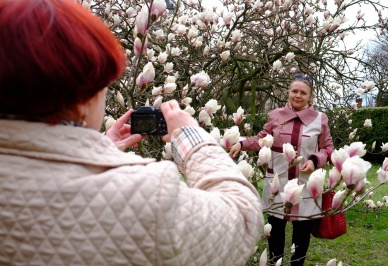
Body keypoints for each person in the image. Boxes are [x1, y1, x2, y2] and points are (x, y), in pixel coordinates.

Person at [0, 0, 264, 265]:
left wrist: (95, 152)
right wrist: (192, 138)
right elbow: (242, 219)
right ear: (83, 101)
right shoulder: (146, 194)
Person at [229, 74, 334, 265]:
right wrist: (242, 144)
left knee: (301, 233)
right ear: (289, 93)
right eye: (295, 91)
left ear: (310, 97)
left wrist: (314, 159)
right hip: (278, 183)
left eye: (303, 93)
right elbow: (262, 139)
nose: (298, 95)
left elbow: (328, 149)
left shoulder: (320, 119)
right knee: (275, 229)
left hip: (305, 185)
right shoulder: (276, 115)